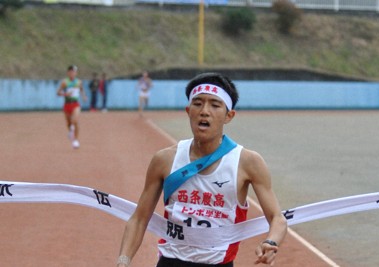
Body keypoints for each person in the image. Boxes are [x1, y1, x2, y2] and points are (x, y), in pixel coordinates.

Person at [116, 73, 287, 267]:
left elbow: (277, 218)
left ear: (229, 115)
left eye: (215, 105)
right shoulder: (165, 159)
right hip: (170, 262)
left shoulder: (247, 162)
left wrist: (271, 242)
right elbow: (139, 218)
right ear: (188, 110)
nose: (204, 111)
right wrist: (123, 260)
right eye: (198, 103)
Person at [57, 65, 87, 149]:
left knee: (75, 121)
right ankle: (71, 131)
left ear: (76, 73)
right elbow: (58, 92)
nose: (72, 73)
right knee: (69, 123)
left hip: (75, 104)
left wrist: (84, 96)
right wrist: (65, 94)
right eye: (71, 72)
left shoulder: (78, 82)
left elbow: (81, 89)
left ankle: (75, 140)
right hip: (67, 104)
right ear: (68, 73)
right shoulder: (64, 82)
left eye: (74, 72)